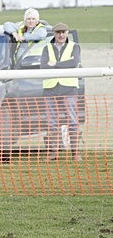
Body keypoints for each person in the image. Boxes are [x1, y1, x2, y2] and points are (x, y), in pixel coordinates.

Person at [40, 22, 82, 161]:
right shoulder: (47, 48)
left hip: (69, 88)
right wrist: (63, 65)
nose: (61, 35)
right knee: (51, 122)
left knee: (72, 120)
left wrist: (55, 64)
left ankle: (75, 154)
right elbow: (43, 66)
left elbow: (74, 63)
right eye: (58, 32)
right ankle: (53, 153)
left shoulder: (74, 46)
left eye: (63, 32)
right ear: (54, 34)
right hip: (50, 88)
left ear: (67, 33)